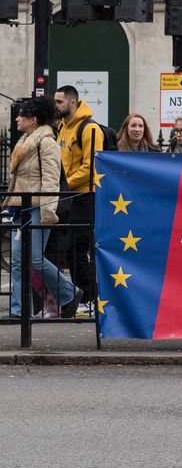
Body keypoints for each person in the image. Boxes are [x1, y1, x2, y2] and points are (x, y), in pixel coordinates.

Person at [7, 97, 82, 319]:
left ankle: (69, 292)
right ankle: (19, 312)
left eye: (22, 115)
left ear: (34, 119)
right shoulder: (25, 141)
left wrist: (48, 211)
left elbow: (50, 180)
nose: (17, 118)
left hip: (38, 207)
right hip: (21, 208)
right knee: (19, 261)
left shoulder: (46, 142)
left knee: (34, 258)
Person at [54, 84, 105, 305]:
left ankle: (89, 298)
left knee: (77, 249)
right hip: (68, 196)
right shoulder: (63, 128)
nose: (56, 106)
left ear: (72, 102)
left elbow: (90, 167)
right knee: (70, 250)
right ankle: (83, 296)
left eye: (59, 102)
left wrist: (65, 185)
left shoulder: (89, 128)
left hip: (84, 197)